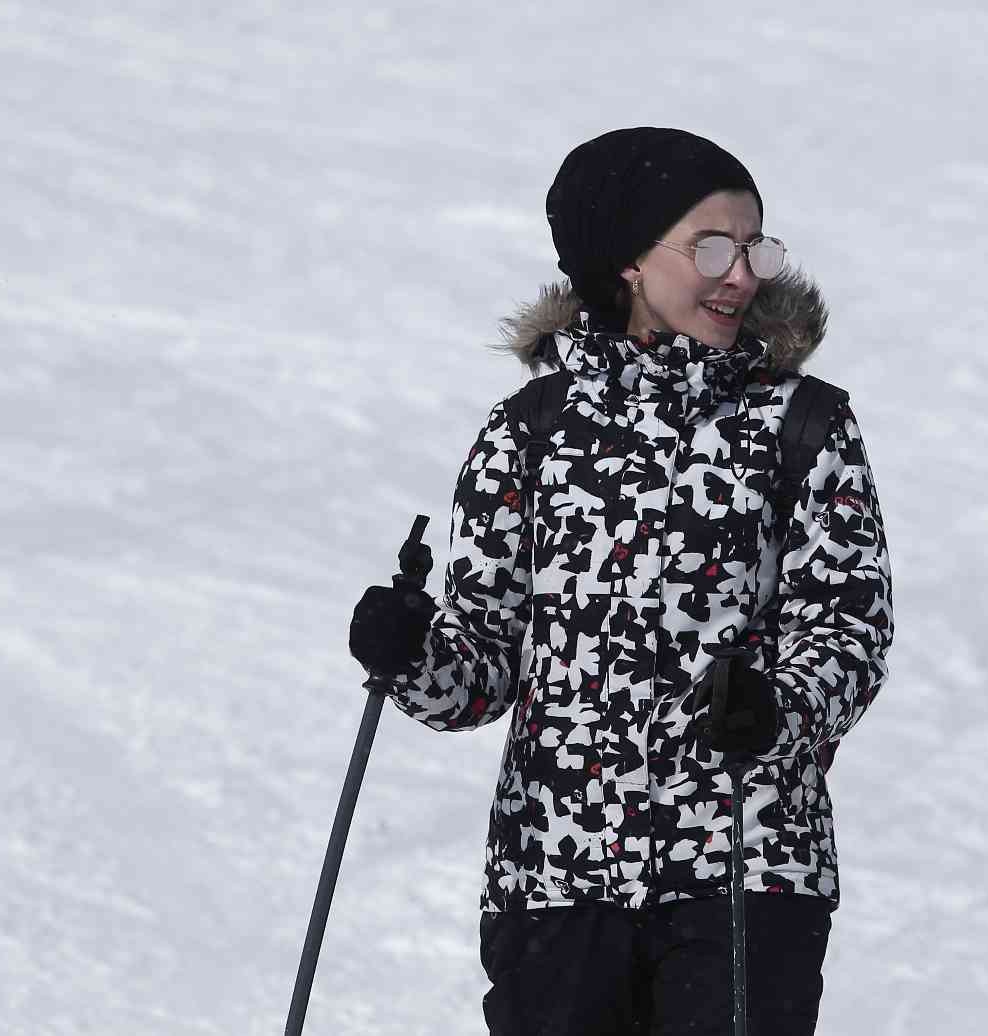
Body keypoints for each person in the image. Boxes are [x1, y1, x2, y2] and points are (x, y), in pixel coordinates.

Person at [349, 127, 894, 1035]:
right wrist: (411, 653)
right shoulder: (530, 431)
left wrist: (778, 706)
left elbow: (847, 629)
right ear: (628, 262)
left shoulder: (803, 426)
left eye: (756, 245)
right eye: (711, 247)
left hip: (743, 860)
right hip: (557, 874)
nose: (742, 274)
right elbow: (484, 669)